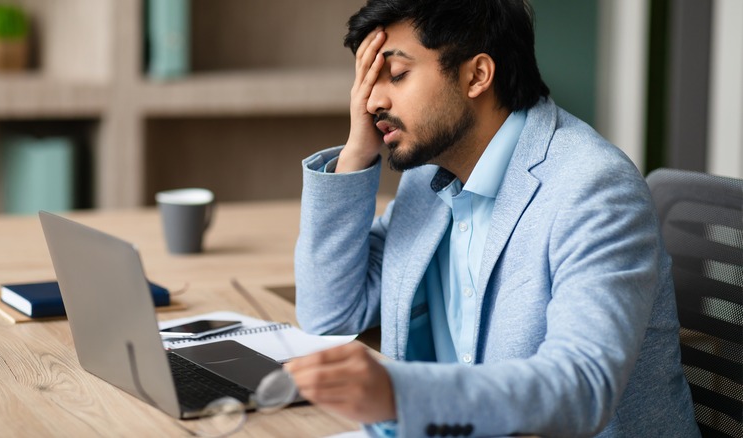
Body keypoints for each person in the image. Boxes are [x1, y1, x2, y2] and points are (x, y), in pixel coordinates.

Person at [284, 0, 699, 436]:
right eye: (368, 82)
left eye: (398, 75)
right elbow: (331, 314)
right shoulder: (429, 179)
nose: (371, 101)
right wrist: (356, 153)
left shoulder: (594, 188)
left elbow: (582, 386)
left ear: (477, 75)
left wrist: (398, 392)